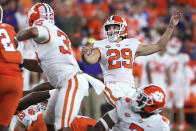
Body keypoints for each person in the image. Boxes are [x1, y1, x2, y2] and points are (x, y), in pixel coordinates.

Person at [16, 3, 104, 131]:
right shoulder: (56, 33)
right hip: (66, 82)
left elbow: (33, 31)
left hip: (71, 82)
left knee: (62, 125)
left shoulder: (42, 26)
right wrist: (20, 62)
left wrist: (14, 39)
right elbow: (43, 67)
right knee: (48, 120)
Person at [82, 11, 182, 106]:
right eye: (109, 27)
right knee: (123, 109)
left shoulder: (132, 44)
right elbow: (90, 61)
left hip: (130, 87)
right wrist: (85, 55)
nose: (111, 30)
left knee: (134, 115)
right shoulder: (100, 44)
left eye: (114, 26)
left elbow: (159, 46)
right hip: (112, 86)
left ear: (123, 27)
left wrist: (171, 27)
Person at [88, 85, 170, 131]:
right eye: (139, 95)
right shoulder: (125, 106)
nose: (137, 99)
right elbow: (102, 125)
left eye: (142, 99)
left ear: (152, 107)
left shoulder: (161, 125)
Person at [0, 6, 23, 131]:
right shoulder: (9, 28)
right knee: (3, 126)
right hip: (16, 80)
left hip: (1, 76)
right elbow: (16, 44)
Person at [166, 37, 190, 131]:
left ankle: (181, 127)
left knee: (179, 107)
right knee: (168, 107)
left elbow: (186, 69)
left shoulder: (183, 57)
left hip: (178, 85)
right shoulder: (166, 56)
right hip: (169, 84)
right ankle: (168, 126)